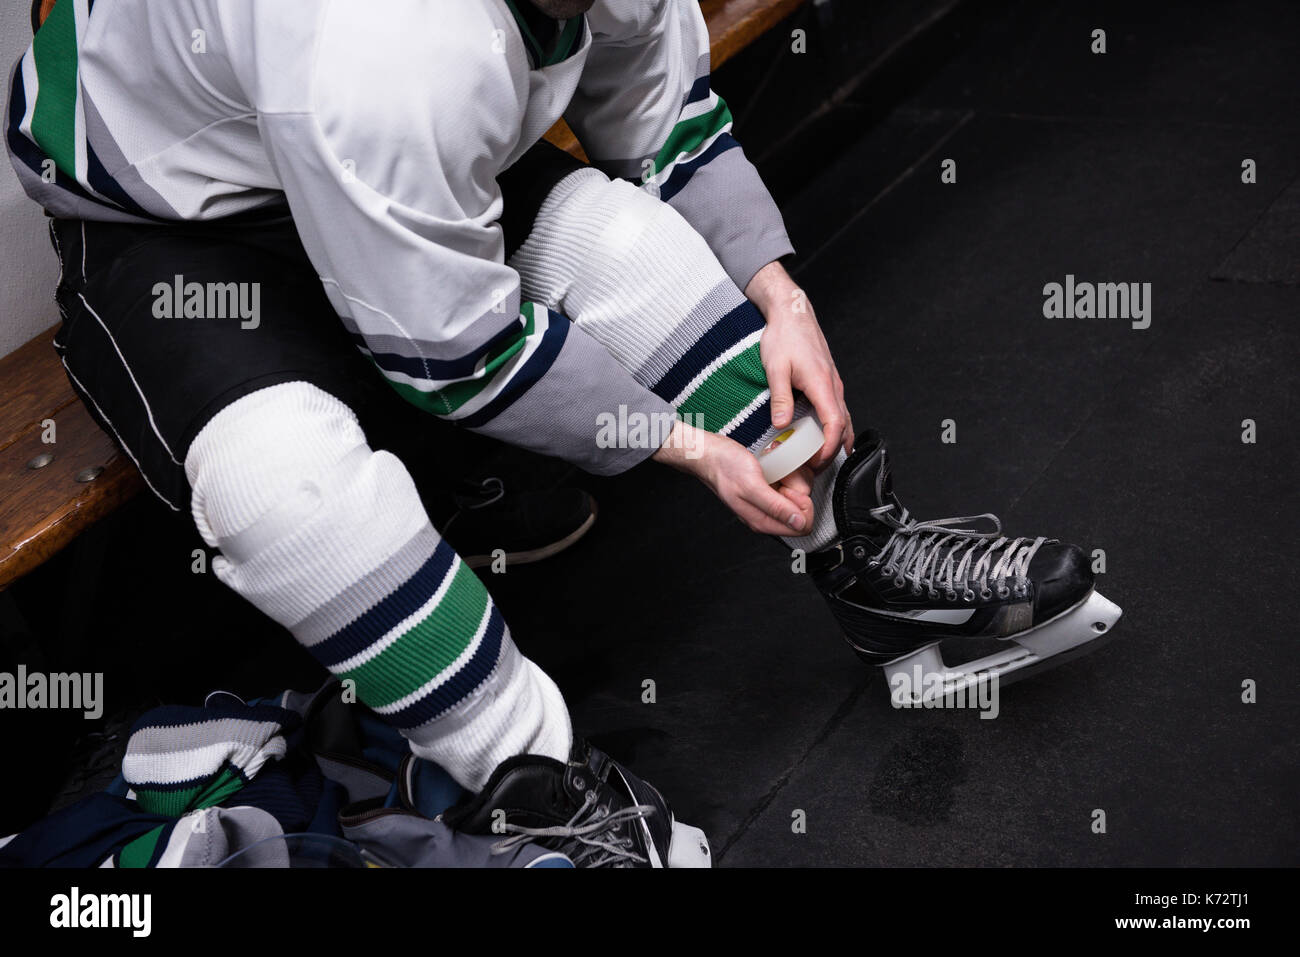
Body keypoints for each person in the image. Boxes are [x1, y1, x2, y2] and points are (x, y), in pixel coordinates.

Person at [6, 0, 1116, 867]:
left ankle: (860, 552)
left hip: (374, 147)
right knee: (280, 483)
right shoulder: (383, 53)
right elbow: (455, 357)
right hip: (180, 221)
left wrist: (783, 298)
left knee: (623, 243)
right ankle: (534, 787)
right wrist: (690, 447)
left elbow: (664, 116)